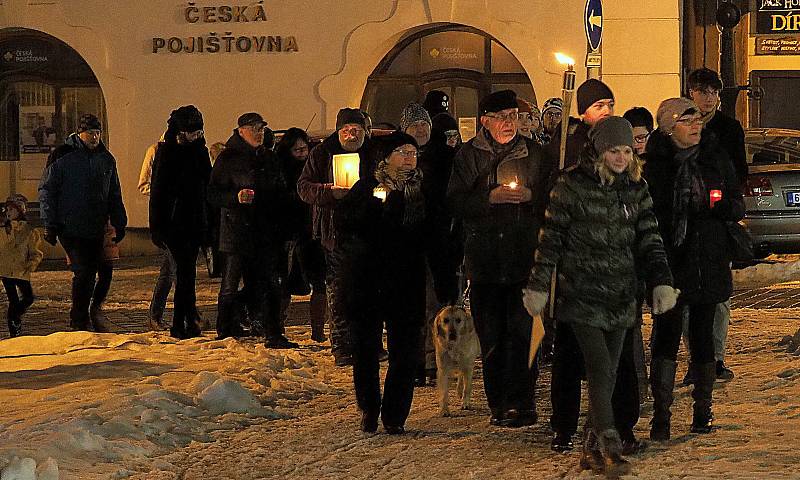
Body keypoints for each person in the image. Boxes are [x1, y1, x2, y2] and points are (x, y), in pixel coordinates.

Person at [523, 116, 677, 476]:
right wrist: (539, 285)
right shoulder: (571, 186)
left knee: (608, 373)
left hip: (622, 295)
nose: (621, 157)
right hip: (582, 295)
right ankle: (609, 444)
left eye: (626, 150)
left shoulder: (636, 189)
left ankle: (591, 447)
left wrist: (661, 281)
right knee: (599, 367)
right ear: (599, 151)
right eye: (614, 150)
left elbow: (650, 240)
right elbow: (551, 240)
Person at [447, 89, 552, 427]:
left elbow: (553, 196)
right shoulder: (468, 156)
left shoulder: (535, 153)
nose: (510, 123)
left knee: (524, 335)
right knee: (492, 336)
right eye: (502, 117)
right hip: (486, 261)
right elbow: (454, 201)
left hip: (524, 260)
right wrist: (488, 198)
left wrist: (532, 197)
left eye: (513, 116)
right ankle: (499, 403)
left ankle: (523, 401)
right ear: (485, 122)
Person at [644, 97, 745, 441]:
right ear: (670, 127)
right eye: (688, 122)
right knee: (667, 334)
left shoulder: (715, 157)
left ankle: (703, 411)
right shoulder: (656, 165)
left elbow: (736, 202)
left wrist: (716, 204)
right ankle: (661, 415)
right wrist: (679, 208)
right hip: (672, 260)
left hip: (708, 257)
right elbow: (650, 215)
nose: (696, 126)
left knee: (702, 334)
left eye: (699, 120)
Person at [334, 131, 427, 434]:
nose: (409, 159)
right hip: (368, 280)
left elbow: (432, 233)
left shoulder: (420, 190)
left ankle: (395, 414)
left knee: (406, 350)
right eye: (402, 152)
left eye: (413, 153)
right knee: (366, 349)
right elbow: (346, 226)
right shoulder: (366, 188)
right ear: (385, 159)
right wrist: (375, 208)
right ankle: (369, 407)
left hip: (406, 280)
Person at [209, 113, 297, 348]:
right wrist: (235, 197)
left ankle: (273, 332)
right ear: (240, 131)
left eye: (261, 128)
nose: (258, 133)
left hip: (265, 232)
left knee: (268, 283)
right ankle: (225, 330)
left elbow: (281, 192)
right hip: (236, 231)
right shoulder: (227, 158)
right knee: (230, 282)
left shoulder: (269, 157)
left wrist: (282, 223)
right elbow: (212, 194)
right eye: (253, 128)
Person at [298, 108, 373, 366]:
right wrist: (330, 192)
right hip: (335, 232)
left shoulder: (372, 153)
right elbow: (304, 187)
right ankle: (341, 345)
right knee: (339, 291)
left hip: (367, 231)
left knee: (367, 290)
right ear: (339, 131)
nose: (352, 135)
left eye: (357, 130)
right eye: (347, 130)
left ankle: (367, 342)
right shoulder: (321, 154)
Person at [39, 113, 127, 332]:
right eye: (91, 133)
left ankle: (94, 310)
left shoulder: (106, 158)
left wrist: (120, 221)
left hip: (96, 225)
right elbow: (47, 190)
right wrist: (49, 223)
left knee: (105, 271)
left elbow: (114, 192)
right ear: (80, 133)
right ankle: (79, 319)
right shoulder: (62, 155)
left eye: (98, 133)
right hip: (70, 226)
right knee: (84, 272)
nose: (95, 137)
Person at [687, 67, 746, 382]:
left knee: (719, 298)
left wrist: (724, 200)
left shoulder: (728, 129)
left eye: (714, 93)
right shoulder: (679, 125)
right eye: (703, 91)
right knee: (686, 300)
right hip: (687, 228)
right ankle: (696, 359)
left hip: (716, 226)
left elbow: (740, 172)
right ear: (692, 92)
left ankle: (715, 358)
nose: (708, 98)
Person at [149, 105, 211, 340]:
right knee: (184, 274)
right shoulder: (166, 153)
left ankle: (185, 322)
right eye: (193, 132)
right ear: (181, 131)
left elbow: (207, 183)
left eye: (199, 131)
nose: (197, 135)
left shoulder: (200, 151)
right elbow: (158, 191)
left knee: (188, 275)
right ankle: (182, 323)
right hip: (173, 224)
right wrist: (156, 226)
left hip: (195, 221)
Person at [417, 110, 464, 386]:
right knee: (430, 306)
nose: (450, 141)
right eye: (445, 135)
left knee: (449, 307)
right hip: (430, 244)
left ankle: (446, 361)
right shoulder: (429, 165)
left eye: (454, 135)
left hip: (451, 245)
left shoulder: (456, 163)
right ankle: (427, 361)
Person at [276, 127, 328, 342]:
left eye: (304, 149)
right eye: (297, 150)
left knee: (319, 282)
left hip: (312, 233)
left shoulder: (314, 167)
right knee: (286, 282)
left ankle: (317, 330)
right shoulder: (281, 170)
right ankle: (278, 326)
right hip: (291, 234)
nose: (302, 154)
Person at [1, 195, 43, 338]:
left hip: (21, 270)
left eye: (12, 209)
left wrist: (31, 263)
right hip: (5, 270)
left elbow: (35, 252)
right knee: (13, 299)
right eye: (7, 209)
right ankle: (14, 329)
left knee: (28, 298)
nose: (8, 212)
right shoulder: (3, 230)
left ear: (20, 211)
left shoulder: (29, 231)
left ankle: (14, 318)